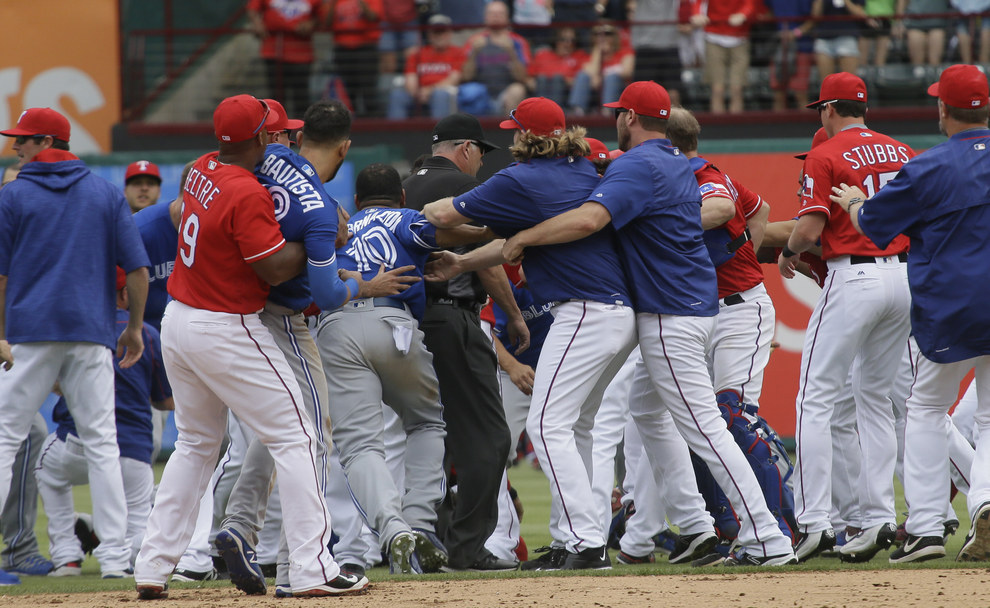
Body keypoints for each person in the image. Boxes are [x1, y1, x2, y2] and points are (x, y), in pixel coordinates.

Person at [501, 81, 798, 567]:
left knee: (706, 429)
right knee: (648, 410)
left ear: (631, 119)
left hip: (669, 314)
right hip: (688, 305)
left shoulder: (640, 164)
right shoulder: (677, 162)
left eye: (620, 113)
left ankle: (767, 536)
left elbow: (590, 219)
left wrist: (523, 238)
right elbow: (739, 209)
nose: (616, 119)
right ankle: (695, 525)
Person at [132, 95, 368, 599]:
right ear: (262, 138)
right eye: (272, 132)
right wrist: (323, 234)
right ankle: (311, 568)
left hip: (178, 319)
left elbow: (180, 211)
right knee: (300, 436)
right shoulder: (245, 192)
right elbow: (276, 268)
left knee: (195, 444)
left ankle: (152, 566)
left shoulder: (201, 167)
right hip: (225, 326)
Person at [423, 97, 638, 570]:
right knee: (576, 427)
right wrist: (462, 262)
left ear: (529, 136)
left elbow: (442, 215)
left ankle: (585, 543)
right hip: (618, 314)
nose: (513, 137)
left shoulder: (521, 178)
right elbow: (508, 242)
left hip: (584, 310)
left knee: (545, 425)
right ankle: (575, 537)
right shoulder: (584, 170)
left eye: (516, 130)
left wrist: (401, 214)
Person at [214, 99, 416, 598]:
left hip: (229, 313)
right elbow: (326, 292)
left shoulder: (264, 167)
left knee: (274, 432)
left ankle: (242, 528)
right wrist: (362, 285)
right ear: (345, 147)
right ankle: (300, 565)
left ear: (296, 139)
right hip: (283, 321)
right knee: (311, 437)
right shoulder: (319, 205)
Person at [828, 64, 990, 563]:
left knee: (923, 408)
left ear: (943, 109)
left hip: (952, 305)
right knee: (989, 416)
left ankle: (924, 529)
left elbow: (874, 223)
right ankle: (984, 503)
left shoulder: (928, 166)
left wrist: (855, 200)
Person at [0, 107, 150, 581]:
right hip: (90, 331)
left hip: (31, 331)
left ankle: (106, 557)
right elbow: (140, 271)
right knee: (103, 444)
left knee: (5, 439)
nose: (15, 147)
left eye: (23, 140)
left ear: (48, 141)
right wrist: (134, 327)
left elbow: (0, 277)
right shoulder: (105, 193)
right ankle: (114, 560)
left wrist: (0, 333)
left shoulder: (13, 194)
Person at [321, 163, 488, 577]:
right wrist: (486, 234)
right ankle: (420, 524)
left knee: (361, 446)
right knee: (427, 423)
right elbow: (441, 233)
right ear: (401, 197)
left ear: (356, 202)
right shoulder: (404, 217)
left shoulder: (335, 226)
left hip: (335, 327)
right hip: (393, 325)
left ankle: (393, 529)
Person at [778, 72, 913, 563]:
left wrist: (789, 253)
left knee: (815, 399)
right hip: (904, 275)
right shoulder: (901, 151)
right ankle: (876, 516)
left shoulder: (826, 152)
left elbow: (810, 225)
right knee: (876, 401)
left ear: (830, 109)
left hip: (853, 274)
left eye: (821, 108)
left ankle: (815, 522)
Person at [402, 112, 528, 571]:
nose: (478, 164)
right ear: (467, 149)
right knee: (490, 437)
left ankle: (412, 539)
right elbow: (483, 262)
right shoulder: (460, 185)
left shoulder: (403, 183)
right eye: (480, 154)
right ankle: (467, 547)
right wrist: (513, 315)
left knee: (425, 436)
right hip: (451, 318)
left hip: (402, 322)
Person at [37, 268, 172, 573]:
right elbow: (166, 400)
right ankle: (135, 558)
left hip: (77, 446)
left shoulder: (71, 329)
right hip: (134, 452)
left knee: (44, 467)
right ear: (126, 294)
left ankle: (66, 555)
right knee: (138, 515)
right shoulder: (147, 335)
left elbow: (51, 382)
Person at [248, 0, 323, 119]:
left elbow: (322, 16)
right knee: (276, 98)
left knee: (301, 96)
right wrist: (257, 23)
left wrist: (311, 23)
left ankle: (302, 129)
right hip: (273, 51)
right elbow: (253, 8)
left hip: (301, 53)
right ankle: (276, 129)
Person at [689, 0, 762, 114]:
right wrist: (697, 14)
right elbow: (697, 3)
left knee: (736, 89)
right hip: (714, 38)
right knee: (717, 89)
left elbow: (751, 5)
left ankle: (736, 127)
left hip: (740, 39)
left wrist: (743, 14)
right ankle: (718, 127)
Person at [388, 14, 465, 120]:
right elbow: (410, 78)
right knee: (397, 95)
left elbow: (454, 79)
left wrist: (428, 91)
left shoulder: (458, 52)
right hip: (417, 94)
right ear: (429, 34)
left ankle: (440, 135)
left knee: (440, 95)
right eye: (435, 32)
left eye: (442, 31)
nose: (439, 35)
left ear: (449, 33)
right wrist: (417, 93)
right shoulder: (417, 54)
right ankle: (395, 134)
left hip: (443, 93)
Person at [460, 1, 531, 116]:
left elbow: (522, 77)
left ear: (507, 18)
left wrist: (511, 53)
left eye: (500, 14)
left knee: (518, 89)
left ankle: (509, 130)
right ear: (485, 17)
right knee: (470, 90)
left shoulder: (518, 42)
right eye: (492, 14)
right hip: (480, 92)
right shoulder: (474, 41)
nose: (496, 17)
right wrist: (474, 53)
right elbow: (466, 76)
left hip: (505, 92)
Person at [326, 0, 384, 117]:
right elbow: (326, 22)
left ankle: (372, 122)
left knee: (368, 88)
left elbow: (373, 17)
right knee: (349, 89)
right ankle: (352, 122)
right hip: (343, 48)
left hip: (366, 47)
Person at [568, 22, 634, 114]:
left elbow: (627, 71)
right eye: (597, 34)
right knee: (583, 76)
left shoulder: (624, 52)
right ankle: (577, 111)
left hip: (620, 91)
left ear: (614, 36)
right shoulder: (588, 56)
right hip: (596, 93)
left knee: (611, 78)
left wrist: (603, 77)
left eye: (607, 34)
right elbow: (590, 73)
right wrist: (598, 51)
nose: (602, 37)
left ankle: (607, 112)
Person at [629, 0, 683, 106]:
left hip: (668, 45)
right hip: (645, 47)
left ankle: (676, 122)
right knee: (642, 96)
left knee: (673, 94)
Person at [528, 27, 589, 109]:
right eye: (563, 39)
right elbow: (528, 79)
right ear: (556, 40)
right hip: (540, 91)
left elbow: (583, 80)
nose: (568, 43)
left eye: (572, 40)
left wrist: (565, 80)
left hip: (566, 96)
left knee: (557, 79)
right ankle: (541, 112)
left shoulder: (580, 56)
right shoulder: (542, 55)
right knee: (542, 79)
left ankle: (555, 113)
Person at [810, 0, 866, 77]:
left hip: (847, 37)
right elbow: (815, 16)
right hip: (824, 38)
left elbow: (860, 14)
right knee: (827, 83)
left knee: (849, 82)